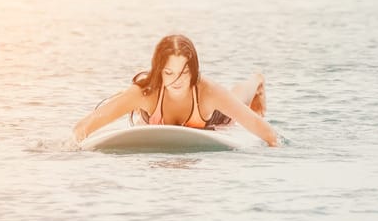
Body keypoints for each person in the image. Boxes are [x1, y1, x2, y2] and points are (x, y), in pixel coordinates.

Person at [73, 34, 278, 147]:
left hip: (211, 116)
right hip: (146, 100)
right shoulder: (146, 93)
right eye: (169, 73)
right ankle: (124, 97)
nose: (177, 81)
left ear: (194, 71)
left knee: (236, 99)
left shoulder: (208, 91)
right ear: (159, 71)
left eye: (184, 73)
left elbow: (267, 133)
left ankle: (255, 80)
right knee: (132, 96)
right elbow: (83, 128)